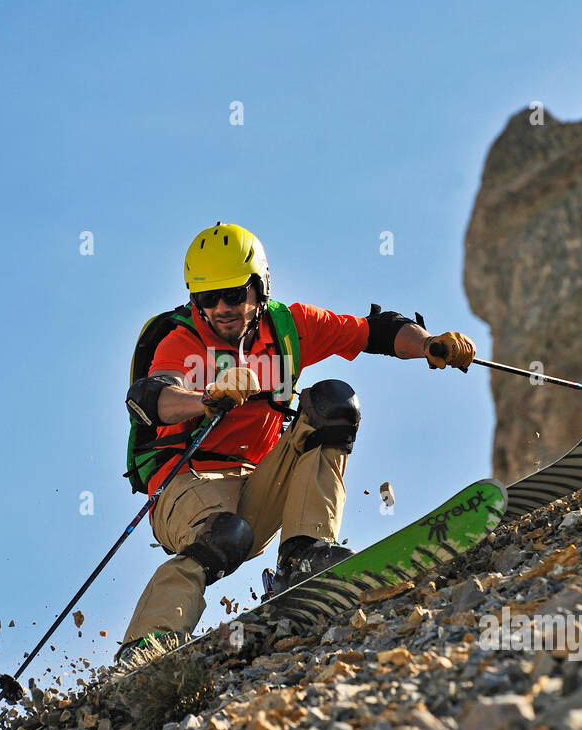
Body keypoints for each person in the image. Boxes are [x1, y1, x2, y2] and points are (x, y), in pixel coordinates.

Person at [118, 222, 475, 661]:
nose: (222, 308)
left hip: (256, 481)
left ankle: (304, 558)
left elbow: (375, 331)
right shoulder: (182, 341)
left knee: (333, 404)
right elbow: (153, 398)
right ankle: (146, 646)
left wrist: (431, 344)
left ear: (260, 287)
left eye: (235, 294)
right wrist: (207, 399)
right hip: (184, 482)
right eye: (208, 299)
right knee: (221, 538)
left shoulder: (289, 329)